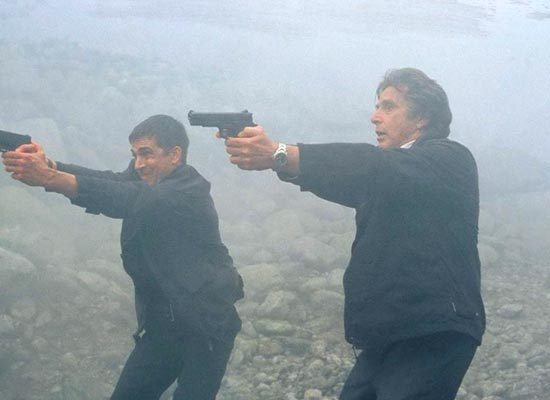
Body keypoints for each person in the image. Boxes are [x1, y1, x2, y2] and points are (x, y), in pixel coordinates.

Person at [222, 68, 485, 400]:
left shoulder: (449, 159)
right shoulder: (393, 177)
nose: (375, 117)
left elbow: (370, 167)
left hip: (433, 331)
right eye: (377, 107)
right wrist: (281, 163)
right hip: (389, 334)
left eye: (389, 106)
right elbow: (352, 177)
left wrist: (280, 153)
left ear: (422, 118)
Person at [2, 115, 244, 400]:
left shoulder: (187, 191)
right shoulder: (147, 178)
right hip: (163, 326)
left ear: (175, 154)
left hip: (207, 323)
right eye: (135, 155)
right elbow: (111, 181)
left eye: (146, 153)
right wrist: (51, 166)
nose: (139, 164)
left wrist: (48, 178)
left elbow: (126, 198)